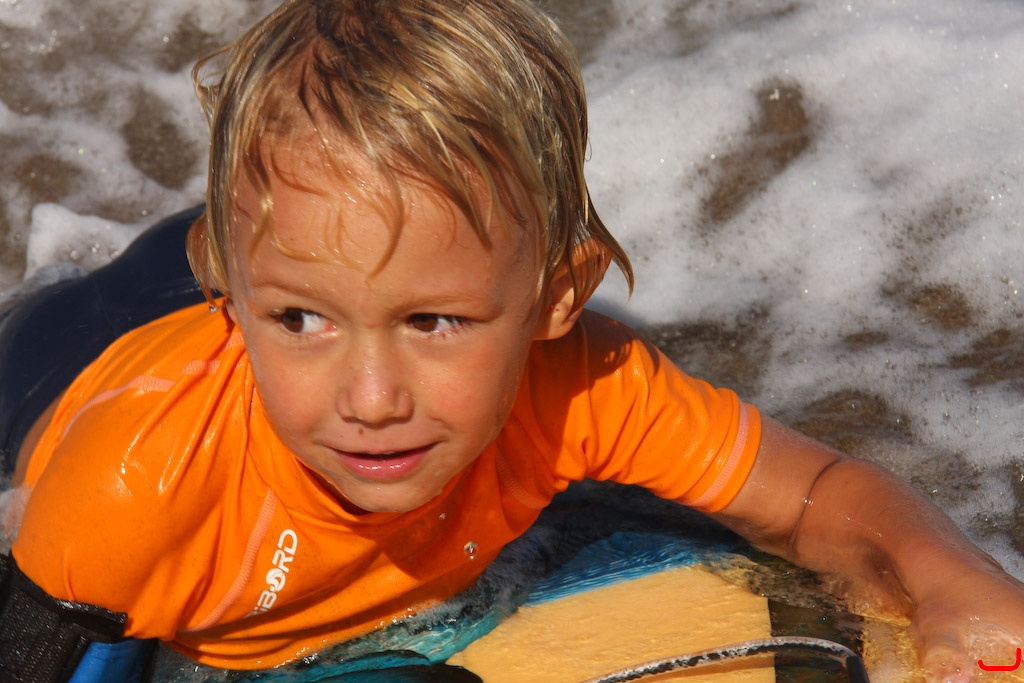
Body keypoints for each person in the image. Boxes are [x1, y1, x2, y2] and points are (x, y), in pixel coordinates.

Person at [1, 0, 1022, 680]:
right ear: (230, 293)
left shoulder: (582, 385)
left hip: (290, 253)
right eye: (301, 320)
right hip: (69, 361)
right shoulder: (126, 502)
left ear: (556, 295)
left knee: (337, 255)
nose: (370, 396)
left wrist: (949, 574)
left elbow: (811, 495)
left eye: (434, 321)